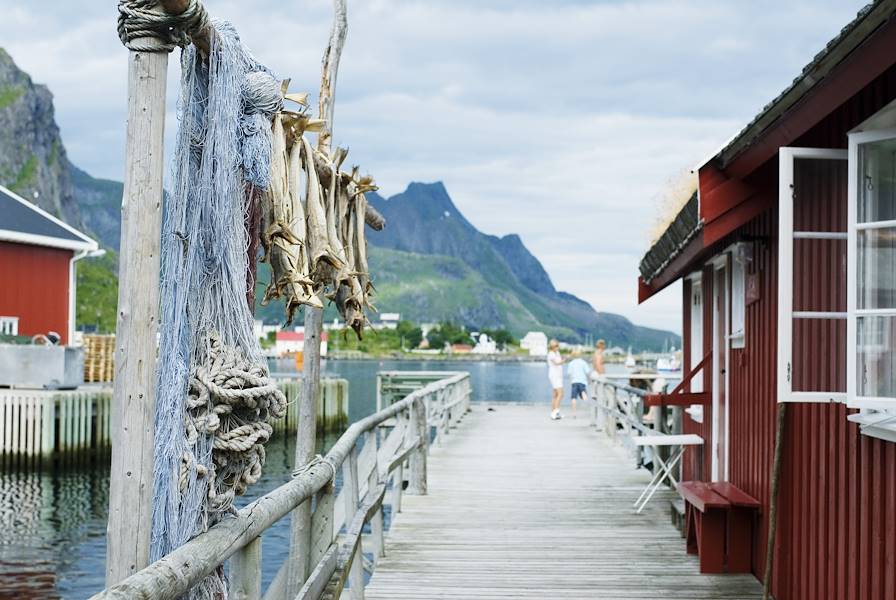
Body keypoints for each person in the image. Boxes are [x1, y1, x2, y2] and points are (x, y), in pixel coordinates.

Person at [566, 348, 591, 418]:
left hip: (574, 382)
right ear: (580, 355)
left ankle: (574, 413)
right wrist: (589, 380)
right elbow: (588, 372)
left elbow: (570, 374)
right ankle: (588, 406)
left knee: (573, 397)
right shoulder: (583, 362)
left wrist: (571, 382)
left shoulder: (571, 363)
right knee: (583, 394)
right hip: (582, 381)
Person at [546, 339, 564, 420]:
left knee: (555, 394)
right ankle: (555, 412)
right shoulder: (551, 354)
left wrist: (562, 360)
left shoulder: (557, 353)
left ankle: (554, 412)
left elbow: (559, 362)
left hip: (558, 375)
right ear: (552, 347)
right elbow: (556, 363)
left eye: (558, 345)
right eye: (556, 346)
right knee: (560, 394)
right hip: (554, 375)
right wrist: (563, 361)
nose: (557, 347)